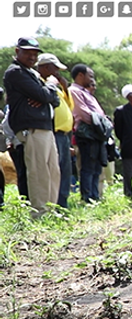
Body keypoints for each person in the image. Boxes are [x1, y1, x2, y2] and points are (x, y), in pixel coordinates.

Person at [3, 37, 61, 216]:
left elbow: (55, 100)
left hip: (45, 127)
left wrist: (46, 94)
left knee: (53, 171)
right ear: (17, 51)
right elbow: (44, 96)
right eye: (27, 52)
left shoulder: (31, 74)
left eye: (35, 53)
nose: (32, 56)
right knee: (39, 171)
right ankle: (40, 212)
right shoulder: (15, 72)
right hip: (31, 128)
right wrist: (49, 88)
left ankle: (50, 210)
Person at [36, 53, 74, 208]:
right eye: (55, 68)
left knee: (65, 171)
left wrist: (64, 87)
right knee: (54, 171)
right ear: (45, 67)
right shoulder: (40, 84)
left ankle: (62, 205)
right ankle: (53, 205)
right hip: (53, 133)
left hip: (64, 135)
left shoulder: (55, 87)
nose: (57, 73)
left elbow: (70, 106)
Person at [70, 64, 108, 203]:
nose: (92, 79)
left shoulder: (85, 92)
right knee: (88, 167)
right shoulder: (74, 91)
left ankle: (95, 196)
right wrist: (100, 122)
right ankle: (87, 198)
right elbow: (83, 113)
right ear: (80, 75)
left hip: (96, 133)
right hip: (87, 133)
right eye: (89, 76)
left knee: (97, 167)